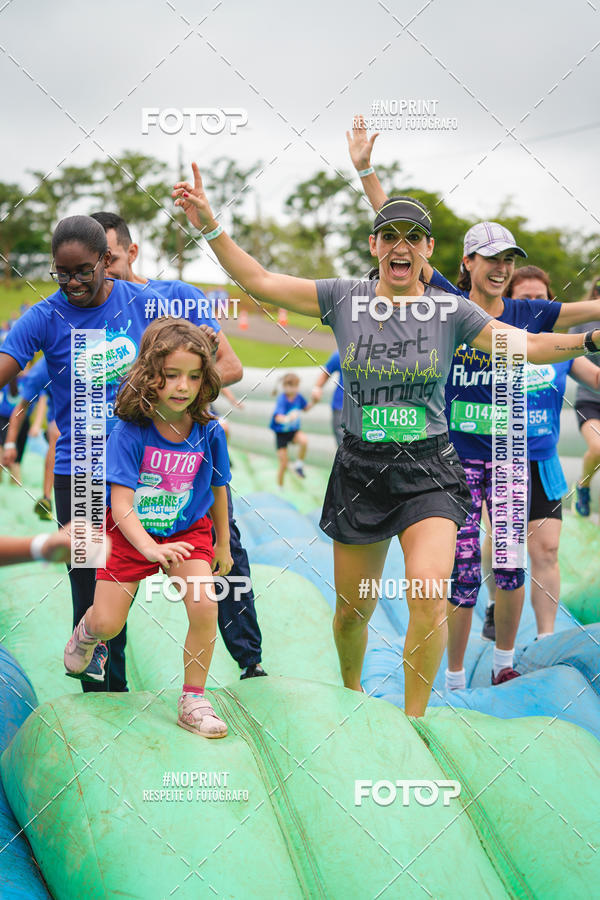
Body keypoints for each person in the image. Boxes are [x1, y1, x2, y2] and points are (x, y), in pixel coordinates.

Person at [171, 162, 600, 717]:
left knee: (427, 593)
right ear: (374, 245)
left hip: (430, 469)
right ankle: (352, 694)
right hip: (360, 469)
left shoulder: (451, 311)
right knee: (353, 613)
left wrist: (589, 339)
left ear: (426, 251)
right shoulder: (343, 298)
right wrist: (208, 224)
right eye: (390, 236)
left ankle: (414, 720)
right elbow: (259, 280)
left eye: (413, 238)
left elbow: (526, 345)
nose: (401, 247)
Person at [0, 215, 241, 693]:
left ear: (107, 263)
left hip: (147, 470)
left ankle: (216, 678)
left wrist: (202, 364)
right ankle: (105, 696)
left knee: (181, 583)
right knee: (93, 583)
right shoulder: (46, 317)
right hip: (85, 473)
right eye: (61, 273)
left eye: (82, 272)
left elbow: (203, 362)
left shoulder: (148, 303)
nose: (71, 283)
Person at [91, 211, 266, 679]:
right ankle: (109, 682)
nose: (101, 269)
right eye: (92, 262)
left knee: (224, 560)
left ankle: (249, 662)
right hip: (122, 456)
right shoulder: (86, 313)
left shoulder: (176, 298)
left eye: (108, 257)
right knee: (107, 581)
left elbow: (230, 368)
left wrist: (180, 390)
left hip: (183, 455)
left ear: (131, 252)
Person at [64, 319, 231, 737]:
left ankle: (193, 698)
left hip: (185, 533)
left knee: (205, 604)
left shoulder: (208, 431)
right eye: (171, 375)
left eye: (193, 376)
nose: (183, 386)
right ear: (149, 377)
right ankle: (87, 633)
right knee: (109, 624)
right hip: (129, 534)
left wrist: (222, 545)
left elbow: (219, 487)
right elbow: (119, 505)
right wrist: (148, 549)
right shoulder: (129, 432)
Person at [4, 355, 59, 520]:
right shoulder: (42, 369)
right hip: (60, 423)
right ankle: (46, 498)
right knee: (56, 433)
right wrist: (9, 444)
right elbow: (21, 408)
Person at [568, 277, 600, 517]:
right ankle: (583, 486)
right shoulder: (581, 322)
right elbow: (571, 356)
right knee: (598, 447)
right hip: (589, 399)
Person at [270, 372, 313, 485]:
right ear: (285, 387)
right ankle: (280, 486)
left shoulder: (298, 397)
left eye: (296, 386)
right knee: (284, 463)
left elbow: (306, 408)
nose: (294, 389)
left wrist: (314, 401)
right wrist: (288, 418)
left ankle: (299, 465)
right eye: (291, 386)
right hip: (281, 434)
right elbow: (278, 417)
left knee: (304, 440)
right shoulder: (282, 399)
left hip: (293, 432)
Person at [0, 374, 30, 484]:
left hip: (22, 421)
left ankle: (15, 481)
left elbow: (40, 399)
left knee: (16, 459)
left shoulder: (30, 379)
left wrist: (36, 424)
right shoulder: (8, 374)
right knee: (2, 451)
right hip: (3, 418)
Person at [311, 351, 344, 445]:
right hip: (341, 406)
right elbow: (326, 372)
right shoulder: (342, 353)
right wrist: (317, 388)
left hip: (366, 408)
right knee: (342, 443)